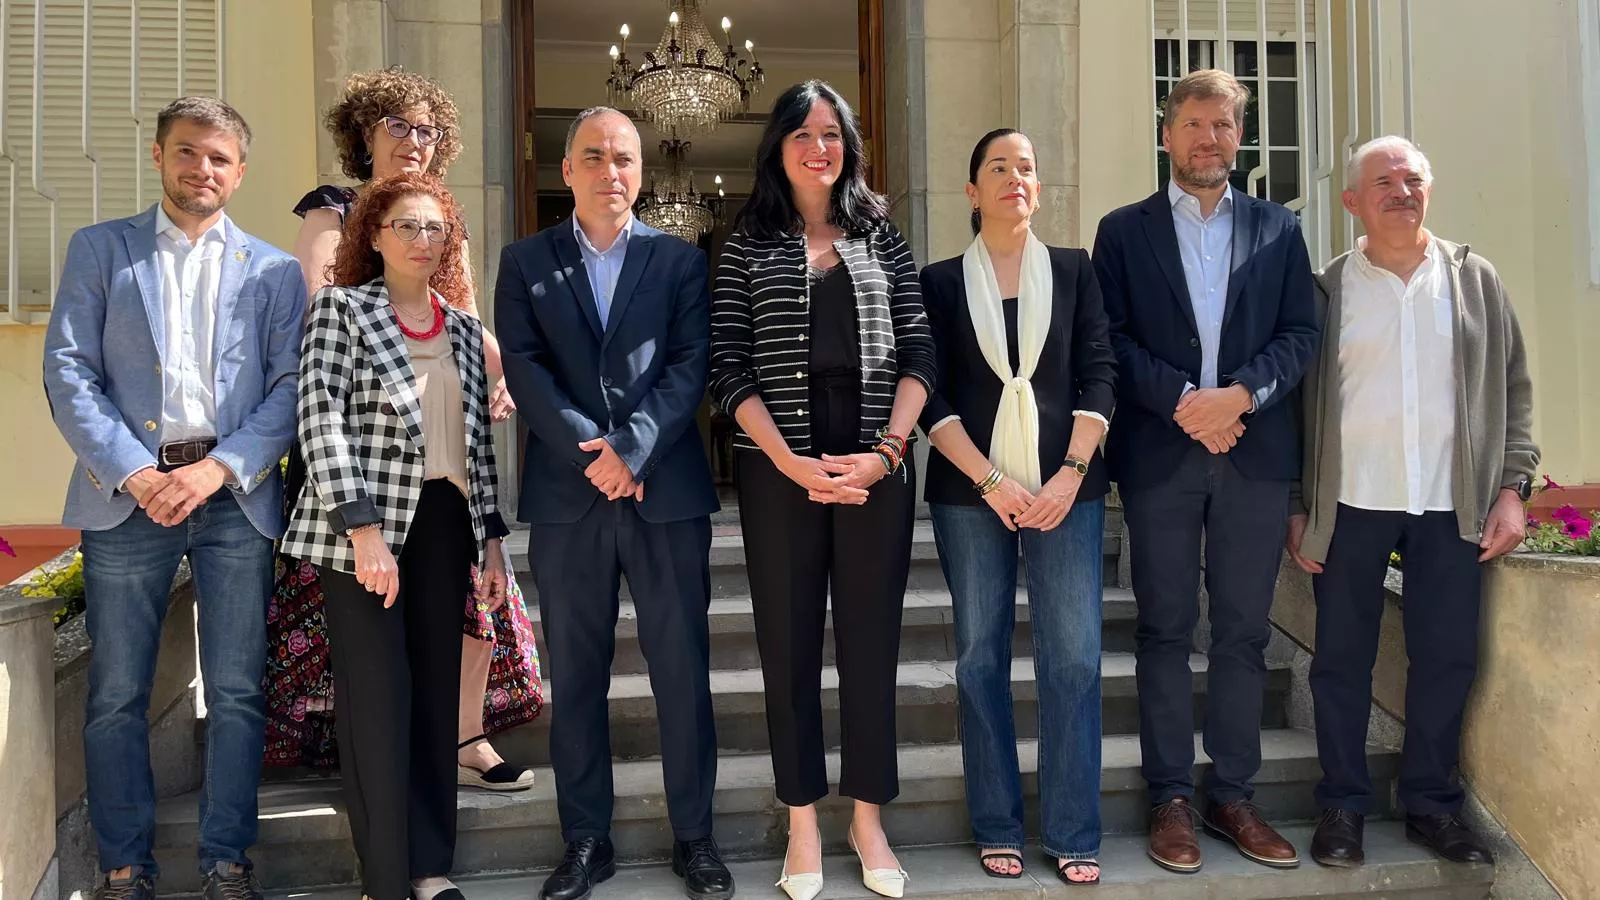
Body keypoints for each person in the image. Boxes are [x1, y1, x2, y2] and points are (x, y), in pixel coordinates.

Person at [42, 96, 304, 900]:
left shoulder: (274, 270)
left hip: (233, 501)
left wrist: (218, 469)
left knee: (236, 690)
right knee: (116, 691)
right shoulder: (100, 250)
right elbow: (69, 372)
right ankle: (125, 869)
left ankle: (227, 862)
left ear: (240, 171)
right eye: (188, 152)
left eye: (220, 158)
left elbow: (290, 387)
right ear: (159, 156)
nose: (203, 169)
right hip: (129, 500)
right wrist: (138, 472)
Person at [264, 66, 540, 790]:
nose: (415, 141)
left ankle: (467, 739)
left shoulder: (442, 214)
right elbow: (327, 301)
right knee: (362, 619)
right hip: (364, 440)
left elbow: (470, 317)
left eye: (429, 130)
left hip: (446, 436)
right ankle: (367, 757)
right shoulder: (332, 209)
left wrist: (499, 374)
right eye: (399, 126)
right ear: (365, 132)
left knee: (479, 603)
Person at [494, 106, 730, 900]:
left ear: (641, 170)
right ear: (567, 171)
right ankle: (586, 840)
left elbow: (691, 366)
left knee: (683, 675)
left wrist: (630, 449)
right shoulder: (524, 261)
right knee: (579, 681)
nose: (610, 170)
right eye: (593, 155)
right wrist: (590, 454)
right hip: (569, 500)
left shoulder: (680, 261)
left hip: (665, 495)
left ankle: (694, 838)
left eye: (623, 157)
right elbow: (526, 371)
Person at [708, 80, 934, 900]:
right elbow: (726, 366)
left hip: (878, 461)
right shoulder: (748, 243)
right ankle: (802, 818)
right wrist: (790, 462)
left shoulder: (882, 236)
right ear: (778, 146)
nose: (818, 147)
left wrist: (885, 453)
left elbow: (920, 356)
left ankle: (867, 816)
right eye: (802, 133)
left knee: (870, 646)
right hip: (780, 466)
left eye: (832, 133)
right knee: (790, 648)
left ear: (850, 148)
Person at [1286, 136, 1538, 869]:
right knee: (1339, 660)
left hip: (1450, 503)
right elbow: (1299, 410)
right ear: (1352, 201)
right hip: (1353, 501)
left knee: (1447, 657)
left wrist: (1513, 489)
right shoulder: (1327, 289)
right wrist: (1301, 504)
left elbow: (1513, 391)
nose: (1402, 190)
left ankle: (1433, 806)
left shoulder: (1474, 280)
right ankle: (1342, 807)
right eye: (1384, 180)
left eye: (1413, 178)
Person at [1090, 68, 1318, 873]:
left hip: (1253, 458)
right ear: (1167, 134)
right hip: (1162, 451)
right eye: (1193, 122)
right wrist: (1189, 400)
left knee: (1245, 631)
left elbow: (1300, 334)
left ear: (1239, 136)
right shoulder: (1122, 231)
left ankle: (1233, 796)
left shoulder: (1278, 228)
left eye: (1223, 123)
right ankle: (1169, 799)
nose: (1208, 137)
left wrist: (1241, 397)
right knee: (1162, 628)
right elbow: (1109, 339)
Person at [280, 172, 511, 900]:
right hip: (365, 535)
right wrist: (362, 531)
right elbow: (320, 421)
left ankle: (429, 864)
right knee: (379, 699)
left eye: (435, 228)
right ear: (374, 235)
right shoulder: (343, 313)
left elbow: (476, 447)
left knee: (435, 693)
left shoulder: (467, 331)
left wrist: (492, 542)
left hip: (446, 526)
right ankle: (385, 878)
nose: (421, 240)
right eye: (406, 226)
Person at [920, 128, 1116, 886]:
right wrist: (990, 481)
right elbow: (928, 390)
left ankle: (1073, 827)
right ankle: (996, 822)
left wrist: (1069, 473)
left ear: (1040, 188)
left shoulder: (1074, 272)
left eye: (1026, 168)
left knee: (1074, 657)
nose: (1014, 178)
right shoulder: (939, 283)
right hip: (972, 496)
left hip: (1070, 490)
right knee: (979, 659)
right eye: (998, 168)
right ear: (972, 192)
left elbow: (1101, 373)